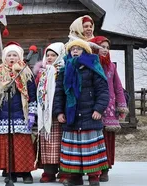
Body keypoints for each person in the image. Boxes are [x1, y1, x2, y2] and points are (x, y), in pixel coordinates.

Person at [54, 39, 109, 186]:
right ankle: (76, 176)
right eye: (73, 49)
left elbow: (103, 91)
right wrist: (59, 112)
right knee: (74, 149)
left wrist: (98, 109)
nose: (75, 51)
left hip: (90, 113)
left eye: (79, 48)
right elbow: (59, 93)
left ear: (85, 51)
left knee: (90, 147)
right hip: (71, 114)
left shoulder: (93, 68)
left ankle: (93, 176)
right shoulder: (64, 70)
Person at [0, 44, 37, 184]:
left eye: (15, 55)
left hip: (20, 114)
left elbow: (32, 95)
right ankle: (9, 171)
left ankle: (25, 172)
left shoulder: (26, 72)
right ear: (4, 58)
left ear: (20, 57)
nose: (12, 58)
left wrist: (31, 113)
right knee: (7, 146)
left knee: (21, 145)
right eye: (9, 55)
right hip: (4, 115)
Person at [89, 36, 128, 182]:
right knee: (94, 140)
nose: (105, 49)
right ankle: (93, 168)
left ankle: (105, 169)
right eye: (102, 46)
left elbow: (118, 87)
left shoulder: (111, 66)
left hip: (109, 109)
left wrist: (121, 107)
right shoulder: (89, 65)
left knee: (107, 140)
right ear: (94, 47)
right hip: (93, 107)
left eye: (107, 47)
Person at [33, 42, 67, 183]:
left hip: (59, 113)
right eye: (48, 55)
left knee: (60, 144)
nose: (50, 58)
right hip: (45, 113)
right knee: (47, 144)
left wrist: (61, 110)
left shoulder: (63, 71)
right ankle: (49, 171)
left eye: (54, 55)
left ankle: (64, 171)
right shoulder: (44, 72)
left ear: (60, 56)